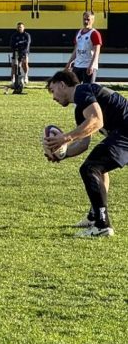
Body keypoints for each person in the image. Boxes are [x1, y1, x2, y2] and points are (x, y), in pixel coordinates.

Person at [44, 69, 128, 238]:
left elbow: (97, 120)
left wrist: (65, 138)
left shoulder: (82, 91)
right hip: (122, 133)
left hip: (125, 132)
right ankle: (95, 216)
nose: (53, 97)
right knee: (96, 167)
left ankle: (102, 225)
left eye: (53, 91)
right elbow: (83, 144)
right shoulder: (80, 108)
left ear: (62, 84)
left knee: (91, 168)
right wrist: (62, 155)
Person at [67, 12, 102, 84]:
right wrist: (70, 62)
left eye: (88, 19)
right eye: (84, 19)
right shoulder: (79, 32)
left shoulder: (95, 33)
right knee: (74, 88)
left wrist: (91, 65)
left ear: (93, 20)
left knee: (87, 90)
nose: (86, 21)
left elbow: (97, 52)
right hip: (77, 65)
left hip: (88, 66)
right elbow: (76, 50)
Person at [9, 22, 31, 91]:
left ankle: (26, 77)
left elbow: (27, 44)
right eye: (18, 27)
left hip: (24, 52)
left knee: (25, 64)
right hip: (16, 52)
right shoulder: (14, 35)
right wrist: (15, 49)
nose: (19, 28)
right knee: (14, 66)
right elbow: (11, 44)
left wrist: (24, 52)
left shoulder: (27, 35)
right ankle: (13, 79)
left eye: (21, 27)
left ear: (23, 28)